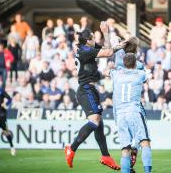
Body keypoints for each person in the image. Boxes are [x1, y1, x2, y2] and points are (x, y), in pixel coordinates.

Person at [64, 28, 127, 170]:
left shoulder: (86, 49)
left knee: (99, 124)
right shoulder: (87, 51)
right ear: (88, 41)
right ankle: (71, 148)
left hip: (89, 88)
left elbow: (105, 49)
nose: (95, 40)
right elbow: (110, 52)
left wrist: (104, 74)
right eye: (93, 37)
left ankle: (106, 156)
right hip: (86, 90)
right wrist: (116, 41)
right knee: (95, 121)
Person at [110, 53, 152, 173]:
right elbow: (148, 74)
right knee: (144, 141)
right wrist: (138, 64)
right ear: (135, 63)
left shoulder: (116, 74)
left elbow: (108, 71)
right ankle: (147, 171)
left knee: (125, 148)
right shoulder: (140, 74)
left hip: (120, 115)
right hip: (134, 112)